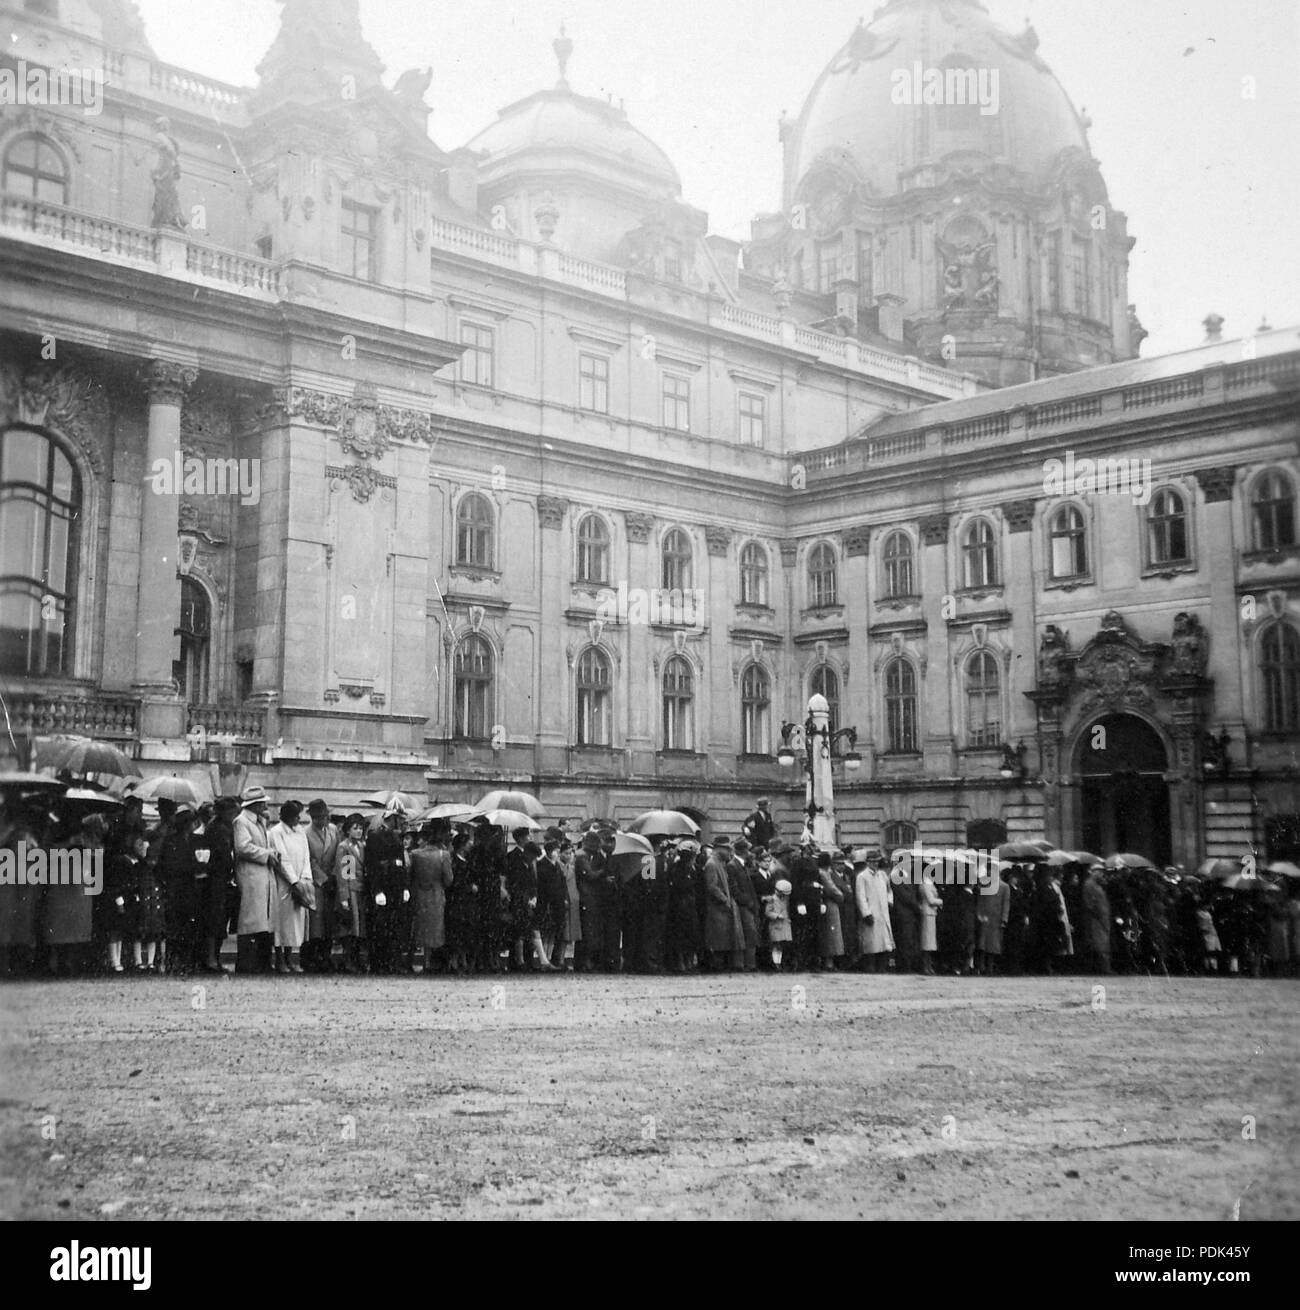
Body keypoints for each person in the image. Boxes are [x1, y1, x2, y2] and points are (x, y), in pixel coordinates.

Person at [44, 812, 106, 975]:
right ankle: (58, 963)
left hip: (79, 885)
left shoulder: (86, 835)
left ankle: (73, 963)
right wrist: (69, 843)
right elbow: (46, 851)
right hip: (62, 883)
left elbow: (99, 852)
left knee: (77, 926)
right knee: (59, 927)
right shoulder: (55, 830)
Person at [234, 785, 279, 974]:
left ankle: (263, 961)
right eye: (261, 803)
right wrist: (266, 854)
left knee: (264, 920)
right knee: (251, 921)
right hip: (251, 875)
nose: (264, 807)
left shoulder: (260, 822)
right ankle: (246, 962)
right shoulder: (242, 822)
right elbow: (243, 847)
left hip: (263, 875)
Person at [366, 801, 411, 974]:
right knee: (380, 928)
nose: (402, 823)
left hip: (396, 887)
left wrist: (405, 887)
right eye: (399, 819)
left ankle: (392, 961)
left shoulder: (396, 837)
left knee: (394, 927)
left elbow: (401, 865)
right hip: (383, 887)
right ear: (392, 818)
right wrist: (377, 890)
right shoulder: (375, 836)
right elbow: (372, 866)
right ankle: (379, 963)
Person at [268, 800, 311, 974]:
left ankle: (290, 957)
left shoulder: (300, 831)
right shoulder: (276, 832)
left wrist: (304, 878)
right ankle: (279, 959)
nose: (298, 819)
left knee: (296, 923)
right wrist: (293, 881)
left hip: (301, 879)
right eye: (295, 816)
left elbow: (306, 855)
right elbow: (282, 859)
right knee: (282, 922)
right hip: (284, 883)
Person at [410, 824, 453, 974]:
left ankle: (419, 959)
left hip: (419, 894)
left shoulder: (414, 854)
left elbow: (410, 875)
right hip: (436, 894)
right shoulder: (444, 855)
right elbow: (448, 879)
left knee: (419, 927)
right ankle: (431, 961)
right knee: (435, 929)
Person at [303, 799, 339, 973]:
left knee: (329, 921)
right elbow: (309, 860)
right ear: (313, 817)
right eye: (320, 817)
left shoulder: (333, 831)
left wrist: (335, 876)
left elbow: (338, 854)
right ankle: (312, 957)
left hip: (332, 879)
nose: (325, 819)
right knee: (315, 922)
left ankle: (326, 956)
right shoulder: (306, 833)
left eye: (326, 816)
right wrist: (323, 879)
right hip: (316, 882)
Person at [333, 814, 367, 972]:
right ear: (348, 830)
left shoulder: (362, 846)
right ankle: (348, 960)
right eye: (355, 828)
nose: (359, 831)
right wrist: (344, 896)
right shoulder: (344, 847)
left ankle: (357, 959)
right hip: (351, 888)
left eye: (360, 828)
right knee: (350, 927)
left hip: (361, 889)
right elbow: (344, 874)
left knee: (359, 927)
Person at [855, 850, 895, 972]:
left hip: (883, 912)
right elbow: (860, 897)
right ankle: (870, 966)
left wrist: (889, 901)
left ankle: (882, 967)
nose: (875, 864)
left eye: (877, 861)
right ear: (867, 862)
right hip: (872, 913)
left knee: (884, 941)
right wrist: (866, 913)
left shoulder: (882, 875)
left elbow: (889, 890)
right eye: (872, 862)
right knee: (872, 942)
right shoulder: (862, 877)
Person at [444, 827, 477, 973]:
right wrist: (469, 887)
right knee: (457, 932)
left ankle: (462, 959)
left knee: (466, 932)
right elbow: (455, 883)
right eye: (468, 842)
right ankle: (454, 960)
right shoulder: (455, 863)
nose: (471, 844)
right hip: (458, 902)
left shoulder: (468, 862)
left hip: (467, 903)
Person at [665, 838, 701, 972]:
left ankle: (688, 960)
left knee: (691, 934)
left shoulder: (694, 869)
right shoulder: (676, 868)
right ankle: (680, 962)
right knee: (680, 935)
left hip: (690, 905)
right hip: (680, 905)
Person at [703, 837, 737, 971]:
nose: (729, 852)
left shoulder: (720, 863)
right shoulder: (712, 864)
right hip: (716, 907)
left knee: (722, 937)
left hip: (722, 907)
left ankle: (719, 964)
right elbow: (712, 886)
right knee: (717, 937)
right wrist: (724, 899)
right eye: (727, 849)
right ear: (719, 849)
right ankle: (715, 965)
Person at [974, 863, 1011, 976]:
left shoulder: (1004, 886)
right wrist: (979, 914)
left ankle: (990, 967)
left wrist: (1004, 919)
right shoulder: (985, 885)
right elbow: (980, 901)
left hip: (996, 919)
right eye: (988, 871)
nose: (989, 873)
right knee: (982, 944)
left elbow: (1006, 904)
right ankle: (981, 966)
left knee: (994, 945)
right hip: (985, 918)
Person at [729, 838, 759, 971]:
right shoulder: (733, 865)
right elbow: (734, 888)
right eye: (747, 850)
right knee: (746, 933)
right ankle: (743, 964)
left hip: (748, 904)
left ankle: (749, 963)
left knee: (750, 933)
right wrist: (747, 901)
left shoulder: (743, 865)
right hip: (742, 905)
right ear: (743, 851)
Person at [1081, 864, 1112, 974]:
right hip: (1096, 919)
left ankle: (1102, 967)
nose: (1101, 874)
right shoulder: (1089, 884)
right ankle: (1103, 968)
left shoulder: (1097, 885)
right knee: (1099, 944)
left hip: (1102, 918)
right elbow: (1089, 903)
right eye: (1099, 872)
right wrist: (1097, 914)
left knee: (1101, 943)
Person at [816, 851, 845, 971]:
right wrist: (841, 895)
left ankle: (828, 961)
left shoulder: (822, 872)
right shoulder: (824, 873)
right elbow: (831, 888)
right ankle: (829, 962)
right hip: (830, 904)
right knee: (831, 934)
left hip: (824, 904)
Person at [763, 877, 792, 969]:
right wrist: (776, 915)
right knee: (776, 945)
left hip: (784, 924)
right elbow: (767, 912)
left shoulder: (785, 900)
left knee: (781, 946)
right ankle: (775, 963)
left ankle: (779, 962)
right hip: (775, 925)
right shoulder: (772, 899)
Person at [918, 865, 942, 975]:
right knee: (927, 942)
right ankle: (925, 966)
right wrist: (941, 901)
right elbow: (931, 900)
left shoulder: (929, 884)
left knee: (930, 942)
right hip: (927, 913)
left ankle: (928, 965)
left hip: (931, 913)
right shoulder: (925, 885)